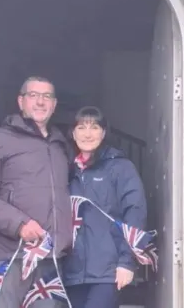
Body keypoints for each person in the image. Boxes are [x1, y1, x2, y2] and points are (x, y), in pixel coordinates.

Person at [0, 76, 73, 307]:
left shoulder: (60, 146)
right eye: (33, 95)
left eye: (47, 96)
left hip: (50, 259)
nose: (40, 102)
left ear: (54, 105)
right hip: (10, 255)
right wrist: (20, 224)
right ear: (21, 101)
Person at [62, 106, 147, 308]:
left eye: (94, 127)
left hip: (107, 272)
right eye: (81, 127)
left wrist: (127, 261)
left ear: (104, 132)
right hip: (71, 273)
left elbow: (135, 212)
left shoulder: (120, 167)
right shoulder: (66, 170)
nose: (87, 133)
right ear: (73, 133)